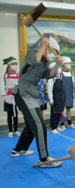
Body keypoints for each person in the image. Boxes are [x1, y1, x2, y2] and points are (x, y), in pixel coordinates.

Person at [11, 37, 63, 167]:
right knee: (40, 125)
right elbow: (34, 60)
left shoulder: (44, 63)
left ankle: (18, 149)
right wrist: (43, 45)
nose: (54, 54)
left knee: (31, 125)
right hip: (23, 92)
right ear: (47, 48)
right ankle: (44, 159)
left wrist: (57, 64)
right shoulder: (32, 53)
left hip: (31, 93)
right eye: (53, 51)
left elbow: (49, 75)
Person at [1, 56, 20, 138]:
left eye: (15, 64)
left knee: (16, 114)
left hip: (16, 97)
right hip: (8, 97)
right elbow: (2, 84)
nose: (14, 65)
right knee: (10, 115)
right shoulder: (5, 75)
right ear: (8, 65)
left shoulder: (18, 75)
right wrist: (3, 94)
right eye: (12, 64)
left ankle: (16, 130)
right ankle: (10, 130)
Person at [47, 63, 66, 134]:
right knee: (54, 113)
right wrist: (51, 99)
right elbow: (49, 89)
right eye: (57, 68)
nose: (59, 69)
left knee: (59, 112)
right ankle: (53, 127)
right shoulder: (51, 79)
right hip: (55, 97)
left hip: (60, 97)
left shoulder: (59, 77)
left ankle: (57, 125)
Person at [61, 57, 75, 129]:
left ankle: (70, 123)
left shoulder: (70, 73)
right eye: (68, 63)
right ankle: (62, 124)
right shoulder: (60, 72)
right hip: (62, 93)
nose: (69, 64)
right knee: (62, 109)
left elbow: (72, 84)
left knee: (69, 108)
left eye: (70, 63)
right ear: (64, 64)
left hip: (69, 93)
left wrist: (73, 92)